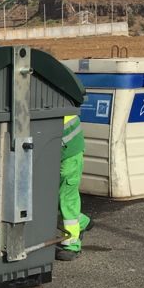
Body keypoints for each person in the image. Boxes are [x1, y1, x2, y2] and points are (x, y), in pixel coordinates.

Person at [57, 112, 91, 261]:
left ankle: (72, 243)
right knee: (51, 199)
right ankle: (81, 222)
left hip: (68, 154)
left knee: (66, 199)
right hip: (60, 150)